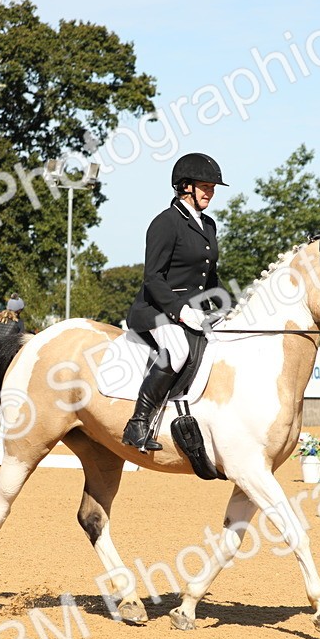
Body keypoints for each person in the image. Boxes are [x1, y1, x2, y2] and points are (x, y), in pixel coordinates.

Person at [122, 152, 227, 452]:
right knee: (178, 351)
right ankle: (138, 423)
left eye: (212, 187)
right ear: (185, 187)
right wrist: (180, 311)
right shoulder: (166, 222)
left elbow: (210, 276)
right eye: (205, 186)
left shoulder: (208, 225)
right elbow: (153, 277)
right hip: (157, 310)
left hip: (194, 311)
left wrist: (224, 307)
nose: (211, 192)